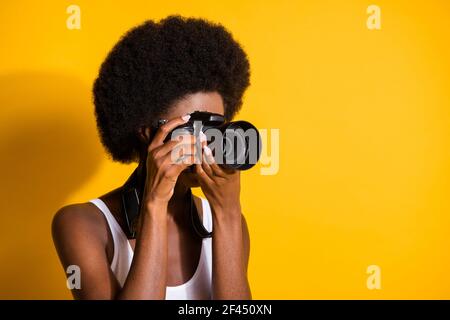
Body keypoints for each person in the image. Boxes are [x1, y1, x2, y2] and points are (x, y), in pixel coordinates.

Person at [52, 15, 252, 300]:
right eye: (194, 129)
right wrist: (154, 206)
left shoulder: (226, 220)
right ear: (148, 132)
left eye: (216, 128)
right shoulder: (80, 224)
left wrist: (228, 212)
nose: (207, 144)